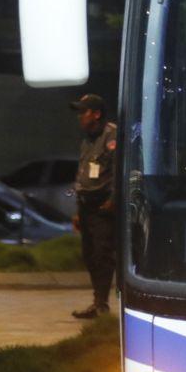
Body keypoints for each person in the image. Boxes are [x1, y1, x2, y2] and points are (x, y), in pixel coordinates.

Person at [69, 94, 117, 319]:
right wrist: (78, 211)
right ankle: (97, 302)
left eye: (83, 111)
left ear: (96, 114)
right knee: (89, 255)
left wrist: (114, 200)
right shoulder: (87, 139)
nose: (80, 116)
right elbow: (82, 175)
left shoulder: (112, 135)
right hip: (86, 206)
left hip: (104, 207)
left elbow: (119, 171)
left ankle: (102, 305)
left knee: (102, 255)